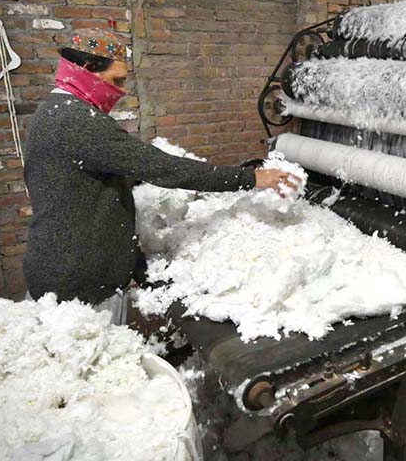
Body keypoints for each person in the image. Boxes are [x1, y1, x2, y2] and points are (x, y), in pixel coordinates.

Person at [23, 28, 298, 310]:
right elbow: (162, 168)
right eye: (116, 80)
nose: (120, 91)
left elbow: (87, 177)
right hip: (77, 285)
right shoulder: (77, 121)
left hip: (60, 265)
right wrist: (252, 177)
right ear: (87, 69)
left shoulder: (53, 110)